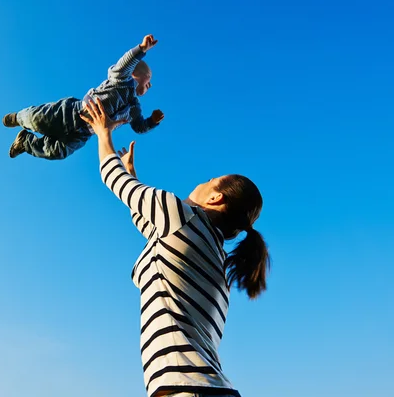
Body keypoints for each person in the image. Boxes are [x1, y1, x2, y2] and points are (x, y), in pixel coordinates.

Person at [80, 98, 271, 397]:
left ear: (215, 199)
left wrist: (103, 133)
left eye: (210, 181)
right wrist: (133, 178)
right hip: (205, 389)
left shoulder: (183, 217)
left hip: (187, 390)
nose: (202, 182)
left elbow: (113, 179)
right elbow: (150, 227)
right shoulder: (215, 258)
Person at [4, 35, 165, 160]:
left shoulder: (135, 108)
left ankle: (25, 142)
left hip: (85, 133)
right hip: (73, 112)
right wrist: (141, 49)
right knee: (39, 119)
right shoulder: (122, 79)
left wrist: (152, 121)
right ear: (135, 73)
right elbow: (124, 64)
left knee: (57, 152)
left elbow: (139, 127)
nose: (150, 85)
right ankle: (19, 117)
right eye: (149, 79)